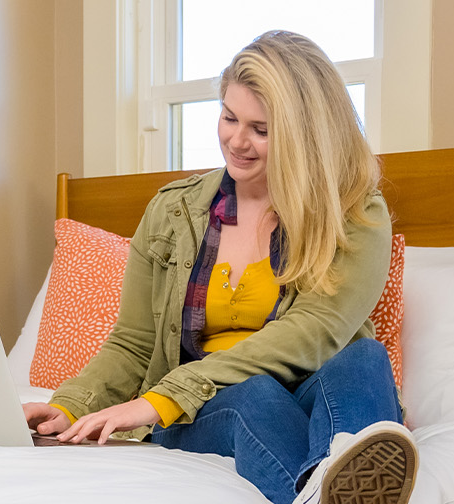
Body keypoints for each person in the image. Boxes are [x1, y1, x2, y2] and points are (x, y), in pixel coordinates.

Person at [22, 30, 417, 504]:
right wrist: (70, 405)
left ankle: (336, 479)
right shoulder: (172, 212)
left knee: (365, 358)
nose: (237, 140)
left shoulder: (354, 212)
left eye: (261, 129)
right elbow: (134, 343)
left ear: (306, 135)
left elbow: (317, 331)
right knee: (256, 394)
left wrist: (160, 397)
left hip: (309, 392)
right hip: (201, 405)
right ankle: (325, 487)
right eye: (229, 117)